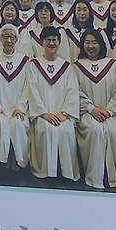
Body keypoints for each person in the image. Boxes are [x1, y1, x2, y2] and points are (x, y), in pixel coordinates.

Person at [74, 27, 116, 191]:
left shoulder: (112, 65)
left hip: (111, 114)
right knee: (95, 130)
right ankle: (95, 177)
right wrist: (91, 108)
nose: (91, 46)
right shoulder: (76, 67)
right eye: (87, 43)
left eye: (94, 43)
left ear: (101, 44)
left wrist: (109, 110)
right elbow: (74, 93)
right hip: (87, 113)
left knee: (113, 131)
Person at [26, 26, 79, 180]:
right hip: (43, 115)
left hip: (62, 115)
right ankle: (47, 172)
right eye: (47, 40)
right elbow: (32, 90)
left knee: (65, 129)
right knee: (46, 129)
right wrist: (44, 113)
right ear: (42, 42)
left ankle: (65, 172)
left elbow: (72, 91)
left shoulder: (66, 67)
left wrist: (65, 114)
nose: (51, 43)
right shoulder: (34, 65)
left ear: (59, 42)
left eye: (54, 40)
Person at [0, 24, 31, 171]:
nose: (9, 40)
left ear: (17, 39)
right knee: (0, 123)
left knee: (17, 124)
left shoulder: (24, 61)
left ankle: (17, 161)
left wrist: (20, 107)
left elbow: (27, 87)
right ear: (0, 39)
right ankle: (2, 160)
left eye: (12, 37)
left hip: (17, 108)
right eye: (5, 37)